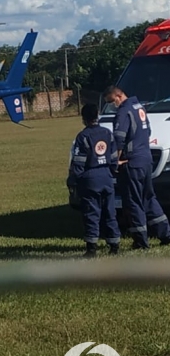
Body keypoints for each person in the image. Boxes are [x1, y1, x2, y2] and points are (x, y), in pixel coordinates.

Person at [104, 85, 170, 249]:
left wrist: (116, 161)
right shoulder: (139, 107)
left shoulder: (123, 112)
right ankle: (166, 233)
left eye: (111, 102)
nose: (112, 106)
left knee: (133, 201)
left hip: (131, 162)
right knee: (148, 197)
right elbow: (148, 132)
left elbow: (119, 139)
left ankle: (141, 241)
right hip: (146, 159)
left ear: (118, 96)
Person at [68, 103, 121, 257]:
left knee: (92, 213)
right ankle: (114, 245)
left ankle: (92, 248)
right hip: (107, 177)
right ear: (97, 115)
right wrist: (111, 172)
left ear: (84, 118)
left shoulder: (83, 136)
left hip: (90, 178)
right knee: (110, 212)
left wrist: (74, 179)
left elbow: (79, 161)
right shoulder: (107, 133)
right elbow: (113, 158)